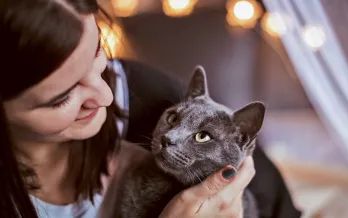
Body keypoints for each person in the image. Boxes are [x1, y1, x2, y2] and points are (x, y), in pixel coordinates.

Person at [0, 0, 301, 218]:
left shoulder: (143, 93)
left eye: (97, 54)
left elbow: (282, 208)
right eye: (63, 97)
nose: (105, 95)